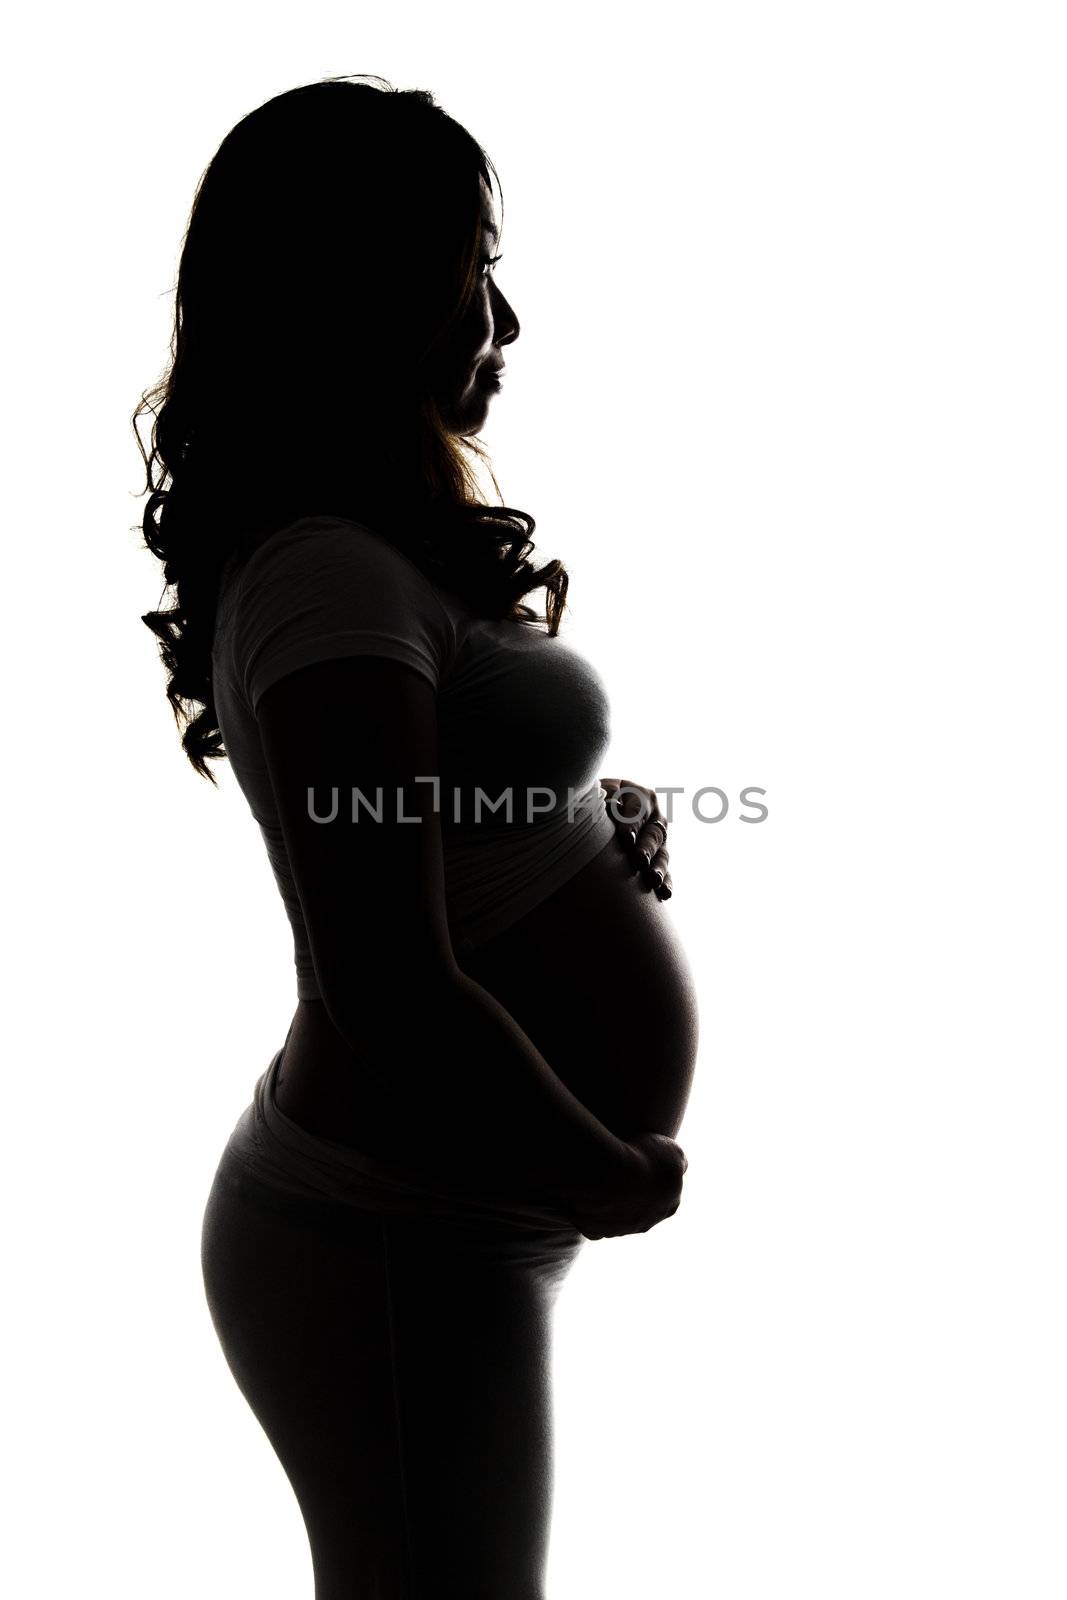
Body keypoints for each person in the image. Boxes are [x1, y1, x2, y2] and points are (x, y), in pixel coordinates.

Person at [133, 74, 699, 1600]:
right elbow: (385, 977)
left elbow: (429, 812)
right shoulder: (322, 577)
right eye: (470, 281)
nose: (502, 328)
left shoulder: (369, 558)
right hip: (385, 1240)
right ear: (362, 296)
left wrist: (580, 822)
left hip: (438, 1221)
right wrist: (604, 1172)